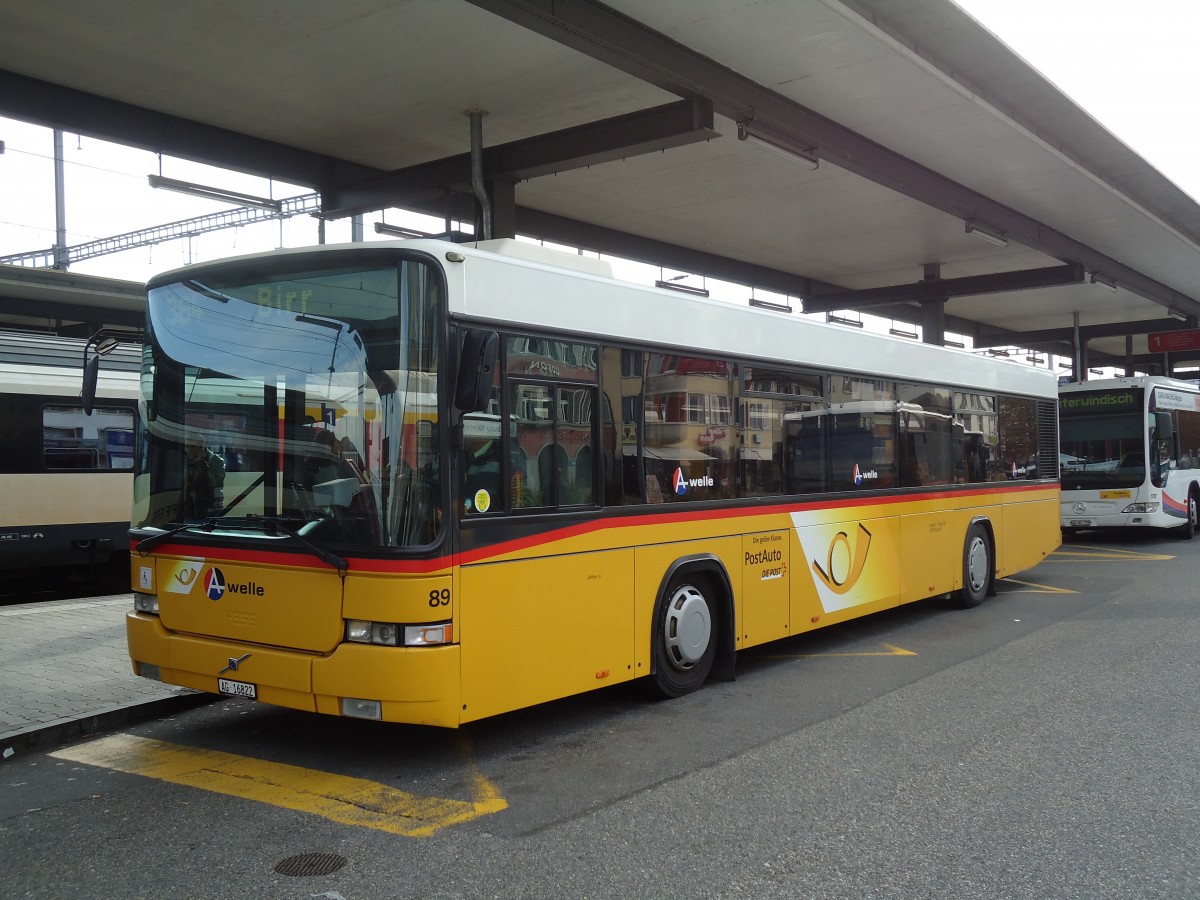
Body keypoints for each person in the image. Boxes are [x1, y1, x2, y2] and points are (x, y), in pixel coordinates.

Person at [182, 434, 226, 518]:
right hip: (191, 508)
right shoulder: (188, 461)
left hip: (211, 509)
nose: (188, 450)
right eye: (187, 446)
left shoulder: (216, 461)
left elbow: (214, 483)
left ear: (202, 448)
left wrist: (201, 463)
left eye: (192, 447)